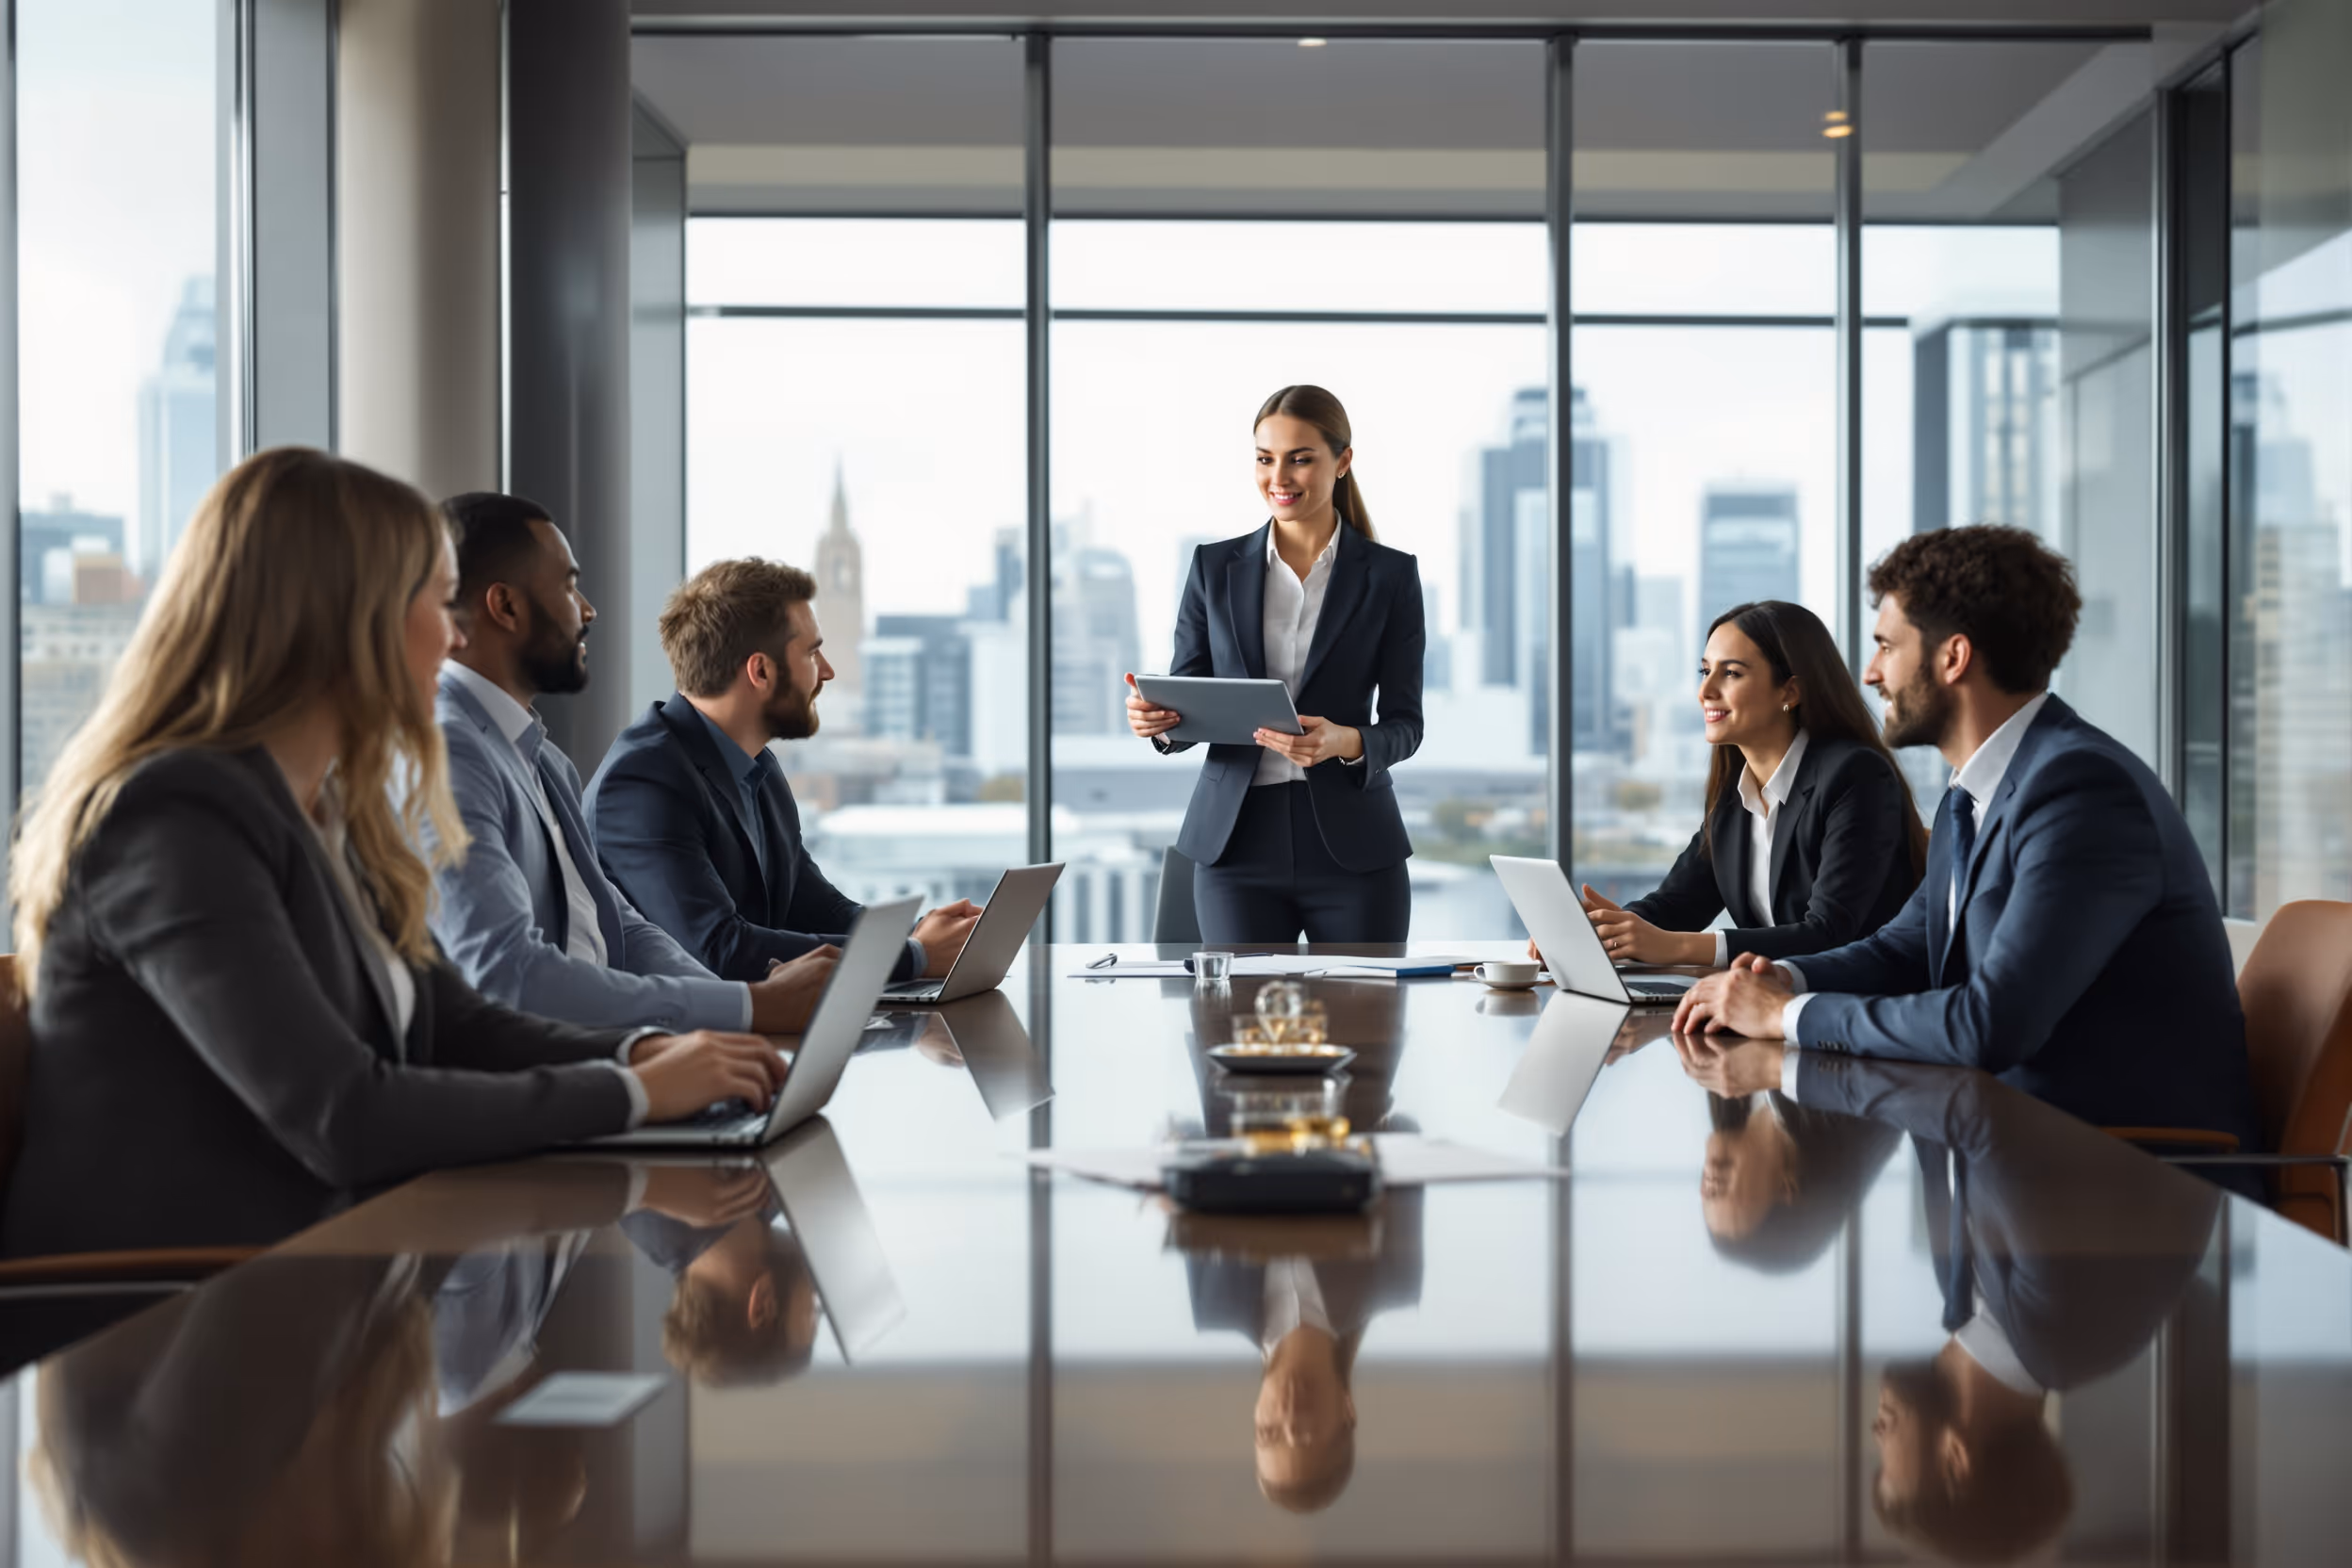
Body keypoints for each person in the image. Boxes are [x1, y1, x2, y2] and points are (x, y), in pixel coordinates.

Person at [0, 449, 788, 1260]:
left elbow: (456, 1022)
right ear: (345, 616)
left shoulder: (330, 809)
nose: (454, 635)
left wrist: (646, 1051)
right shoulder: (173, 819)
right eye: (439, 602)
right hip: (165, 1321)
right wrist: (632, 1093)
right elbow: (340, 1113)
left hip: (320, 1283)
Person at [1673, 525, 2262, 1152]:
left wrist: (1784, 1017)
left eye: (1886, 647)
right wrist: (1779, 978)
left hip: (2129, 1179)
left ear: (1952, 658)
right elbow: (1901, 950)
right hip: (2007, 1149)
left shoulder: (2083, 791)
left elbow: (1991, 1022)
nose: (1870, 674)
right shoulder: (1974, 792)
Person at [427, 492, 836, 1037]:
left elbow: (620, 927)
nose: (589, 610)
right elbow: (508, 976)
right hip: (552, 1084)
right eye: (569, 587)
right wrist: (745, 1011)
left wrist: (730, 1017)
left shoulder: (543, 760)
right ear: (505, 607)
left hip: (609, 1054)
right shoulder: (449, 753)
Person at [586, 557, 980, 986]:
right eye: (812, 653)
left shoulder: (756, 767)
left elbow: (816, 907)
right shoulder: (643, 781)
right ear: (760, 671)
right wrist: (912, 957)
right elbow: (718, 950)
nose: (826, 671)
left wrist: (921, 933)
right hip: (674, 1044)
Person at [1125, 384, 1425, 943]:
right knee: (1237, 1027)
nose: (1279, 478)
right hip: (1235, 846)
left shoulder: (1390, 576)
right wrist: (1159, 723)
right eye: (1265, 459)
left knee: (1363, 1026)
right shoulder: (1215, 567)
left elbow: (1407, 726)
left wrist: (1345, 741)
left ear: (1343, 462)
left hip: (1354, 850)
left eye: (1300, 459)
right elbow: (1189, 692)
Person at [1575, 600, 1925, 968]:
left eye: (1732, 674)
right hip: (1770, 1003)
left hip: (1855, 1008)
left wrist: (1677, 947)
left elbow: (1829, 933)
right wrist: (1600, 932)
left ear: (1790, 692)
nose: (1705, 690)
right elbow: (1676, 905)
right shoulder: (1736, 793)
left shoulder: (1856, 776)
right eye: (1705, 670)